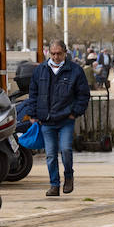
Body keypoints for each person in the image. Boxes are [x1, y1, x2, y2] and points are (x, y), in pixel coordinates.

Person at [23, 40, 90, 197]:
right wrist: (33, 114)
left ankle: (68, 176)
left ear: (65, 53)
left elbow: (83, 95)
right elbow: (33, 94)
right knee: (51, 155)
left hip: (66, 118)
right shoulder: (40, 71)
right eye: (52, 53)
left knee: (66, 150)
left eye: (59, 53)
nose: (56, 56)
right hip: (46, 120)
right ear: (49, 53)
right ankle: (54, 184)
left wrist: (75, 112)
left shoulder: (75, 71)